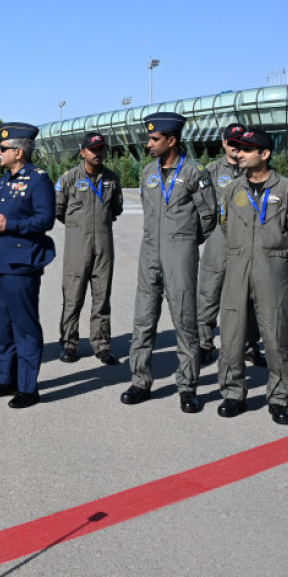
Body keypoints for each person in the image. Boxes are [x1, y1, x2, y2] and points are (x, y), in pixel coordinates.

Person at [120, 112, 217, 414]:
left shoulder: (194, 173)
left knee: (185, 321)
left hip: (180, 254)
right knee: (143, 320)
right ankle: (140, 380)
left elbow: (209, 217)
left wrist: (185, 240)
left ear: (172, 140)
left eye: (154, 139)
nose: (148, 144)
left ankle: (187, 386)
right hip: (149, 252)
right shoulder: (148, 171)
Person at [215, 128, 288, 425]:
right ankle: (233, 393)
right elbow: (226, 224)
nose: (238, 153)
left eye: (246, 149)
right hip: (237, 266)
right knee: (231, 334)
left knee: (275, 333)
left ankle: (279, 397)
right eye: (237, 149)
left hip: (272, 267)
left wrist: (273, 251)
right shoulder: (232, 190)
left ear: (264, 154)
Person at [0, 123, 56, 410]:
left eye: (3, 149)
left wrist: (8, 224)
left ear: (19, 152)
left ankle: (27, 387)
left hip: (21, 264)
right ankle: (6, 380)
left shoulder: (38, 180)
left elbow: (45, 220)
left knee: (24, 326)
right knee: (4, 325)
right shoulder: (5, 178)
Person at [196, 122, 264, 367]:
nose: (237, 148)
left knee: (251, 296)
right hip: (219, 240)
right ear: (224, 143)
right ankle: (204, 344)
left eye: (242, 144)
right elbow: (202, 208)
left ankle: (249, 345)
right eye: (232, 143)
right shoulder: (211, 171)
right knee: (209, 293)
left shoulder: (257, 169)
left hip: (250, 242)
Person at [55, 131, 123, 365]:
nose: (98, 153)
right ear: (83, 152)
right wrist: (79, 228)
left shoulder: (112, 179)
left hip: (103, 247)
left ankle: (102, 344)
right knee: (73, 297)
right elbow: (59, 209)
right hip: (77, 247)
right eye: (93, 149)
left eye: (101, 149)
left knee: (102, 297)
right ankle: (69, 343)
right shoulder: (69, 179)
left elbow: (116, 209)